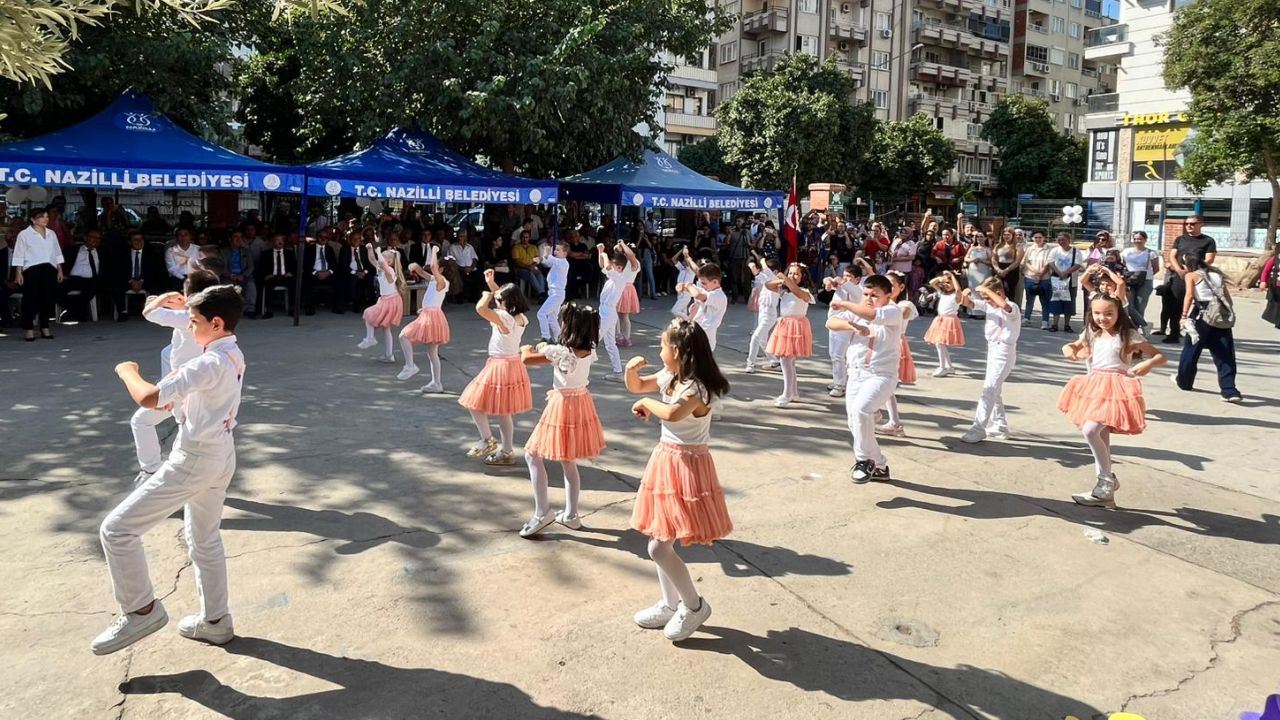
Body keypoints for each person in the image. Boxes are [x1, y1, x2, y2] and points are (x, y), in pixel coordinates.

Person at [94, 285, 246, 655]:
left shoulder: (206, 362)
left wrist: (127, 371)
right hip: (220, 452)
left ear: (216, 322)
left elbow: (148, 396)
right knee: (204, 539)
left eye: (193, 322)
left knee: (116, 531)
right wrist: (179, 403)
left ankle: (140, 610)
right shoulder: (230, 353)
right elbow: (200, 397)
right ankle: (216, 621)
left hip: (195, 459)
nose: (188, 329)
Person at [624, 319, 732, 642]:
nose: (659, 351)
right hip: (667, 460)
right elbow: (638, 386)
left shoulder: (697, 388)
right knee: (661, 534)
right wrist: (631, 371)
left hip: (687, 466)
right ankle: (670, 604)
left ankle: (694, 605)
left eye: (662, 346)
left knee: (658, 547)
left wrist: (647, 404)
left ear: (677, 351)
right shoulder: (672, 377)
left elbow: (671, 414)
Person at [1058, 294, 1165, 507]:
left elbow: (1159, 356)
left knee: (1090, 430)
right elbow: (1075, 345)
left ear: (1118, 313)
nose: (1102, 318)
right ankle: (1104, 488)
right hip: (1094, 385)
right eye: (1097, 313)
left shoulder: (1128, 335)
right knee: (1101, 435)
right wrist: (1068, 349)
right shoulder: (1091, 332)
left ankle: (1106, 481)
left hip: (1116, 387)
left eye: (1109, 313)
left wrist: (1148, 364)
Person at [517, 302, 605, 537]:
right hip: (581, 402)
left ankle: (541, 512)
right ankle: (571, 515)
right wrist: (549, 347)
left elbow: (527, 359)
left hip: (563, 405)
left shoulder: (561, 353)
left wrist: (529, 347)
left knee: (532, 454)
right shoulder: (589, 350)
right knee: (568, 460)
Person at [129, 270, 221, 484]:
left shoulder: (186, 318)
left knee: (143, 421)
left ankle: (152, 473)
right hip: (194, 382)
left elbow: (149, 312)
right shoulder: (215, 315)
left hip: (183, 385)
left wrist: (164, 297)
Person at [827, 274, 903, 484]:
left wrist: (844, 303)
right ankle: (879, 464)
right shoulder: (859, 313)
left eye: (875, 295)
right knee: (855, 422)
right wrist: (851, 326)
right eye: (866, 294)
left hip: (881, 375)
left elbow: (871, 315)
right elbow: (831, 322)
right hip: (856, 374)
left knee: (861, 410)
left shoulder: (892, 311)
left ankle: (863, 460)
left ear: (888, 296)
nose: (869, 298)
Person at [458, 270, 533, 465]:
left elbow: (481, 309)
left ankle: (487, 439)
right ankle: (506, 451)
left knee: (472, 401)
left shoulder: (504, 317)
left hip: (499, 366)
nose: (496, 302)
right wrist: (492, 284)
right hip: (513, 364)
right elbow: (503, 296)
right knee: (503, 412)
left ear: (507, 302)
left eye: (499, 300)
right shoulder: (520, 317)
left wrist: (486, 294)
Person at [957, 277, 1021, 443]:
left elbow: (1005, 306)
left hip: (1004, 351)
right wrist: (965, 294)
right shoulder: (989, 306)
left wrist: (987, 292)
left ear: (998, 293)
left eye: (988, 297)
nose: (986, 301)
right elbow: (967, 303)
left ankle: (978, 428)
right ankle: (1000, 424)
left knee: (989, 388)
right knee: (995, 389)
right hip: (992, 349)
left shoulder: (1011, 306)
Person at [1176, 254, 1242, 402]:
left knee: (1191, 350)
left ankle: (1185, 381)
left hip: (1201, 314)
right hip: (1220, 315)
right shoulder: (1216, 274)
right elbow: (1227, 297)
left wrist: (1184, 315)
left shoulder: (1191, 275)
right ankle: (1229, 390)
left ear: (1186, 265)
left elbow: (1189, 296)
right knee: (1224, 353)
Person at [398, 248, 450, 390]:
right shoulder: (434, 279)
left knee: (403, 336)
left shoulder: (442, 281)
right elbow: (421, 272)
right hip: (430, 315)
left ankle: (410, 365)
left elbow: (432, 267)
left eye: (436, 267)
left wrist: (434, 251)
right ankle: (436, 383)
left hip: (431, 317)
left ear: (442, 269)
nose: (432, 268)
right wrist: (414, 267)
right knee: (432, 352)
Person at [765, 262, 815, 407]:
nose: (793, 276)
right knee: (788, 361)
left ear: (803, 276)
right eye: (791, 273)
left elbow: (798, 293)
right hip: (784, 325)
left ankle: (787, 393)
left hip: (796, 326)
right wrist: (781, 280)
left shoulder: (805, 291)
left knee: (787, 360)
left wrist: (786, 279)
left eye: (797, 274)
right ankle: (793, 392)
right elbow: (768, 285)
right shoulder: (784, 290)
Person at [1162, 216, 1217, 345]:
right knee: (1175, 306)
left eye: (1192, 224)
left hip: (1199, 276)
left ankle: (1203, 336)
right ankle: (1174, 334)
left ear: (1201, 224)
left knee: (1203, 306)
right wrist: (1179, 270)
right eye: (1187, 224)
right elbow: (1172, 256)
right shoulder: (1180, 239)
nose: (1189, 226)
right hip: (1180, 277)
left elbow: (1210, 259)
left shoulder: (1208, 241)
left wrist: (1195, 269)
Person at [11, 207, 64, 341]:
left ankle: (45, 326)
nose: (45, 218)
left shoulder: (51, 233)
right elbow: (19, 253)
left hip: (49, 268)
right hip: (32, 269)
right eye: (41, 216)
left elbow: (57, 252)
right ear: (33, 219)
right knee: (31, 299)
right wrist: (19, 272)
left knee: (47, 299)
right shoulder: (24, 234)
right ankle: (29, 329)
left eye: (46, 216)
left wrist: (60, 269)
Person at [876, 272, 917, 438]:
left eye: (891, 284)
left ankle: (891, 421)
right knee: (886, 386)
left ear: (901, 287)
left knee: (887, 384)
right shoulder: (880, 303)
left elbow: (902, 314)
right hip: (881, 343)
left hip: (895, 345)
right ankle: (893, 421)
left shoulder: (905, 304)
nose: (888, 287)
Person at [355, 245, 406, 364]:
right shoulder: (381, 268)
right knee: (386, 329)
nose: (379, 258)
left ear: (389, 261)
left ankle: (370, 338)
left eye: (382, 257)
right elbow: (372, 259)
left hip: (391, 301)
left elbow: (384, 267)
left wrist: (379, 254)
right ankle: (389, 355)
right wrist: (370, 249)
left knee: (368, 313)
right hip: (385, 299)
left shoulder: (390, 271)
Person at [597, 241, 640, 381]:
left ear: (619, 268)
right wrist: (600, 251)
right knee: (610, 344)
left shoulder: (619, 278)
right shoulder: (613, 276)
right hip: (607, 311)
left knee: (592, 340)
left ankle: (578, 365)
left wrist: (604, 253)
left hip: (607, 312)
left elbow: (608, 266)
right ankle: (617, 372)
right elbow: (604, 266)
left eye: (615, 267)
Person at [823, 263, 864, 399]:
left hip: (845, 325)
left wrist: (842, 282)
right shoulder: (842, 286)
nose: (845, 278)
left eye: (849, 276)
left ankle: (840, 385)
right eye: (844, 275)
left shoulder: (858, 290)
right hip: (834, 323)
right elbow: (828, 281)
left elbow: (853, 293)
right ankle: (838, 380)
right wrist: (828, 281)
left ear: (857, 279)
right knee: (833, 354)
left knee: (839, 355)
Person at [61, 228, 109, 321]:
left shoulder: (104, 252)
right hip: (72, 279)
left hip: (92, 280)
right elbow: (61, 264)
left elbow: (107, 270)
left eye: (98, 238)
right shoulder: (72, 250)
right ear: (85, 238)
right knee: (56, 288)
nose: (96, 240)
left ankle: (75, 313)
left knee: (89, 288)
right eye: (93, 237)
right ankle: (73, 311)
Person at [923, 270, 964, 377]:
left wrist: (952, 276)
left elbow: (958, 289)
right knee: (940, 344)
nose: (946, 285)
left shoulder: (956, 295)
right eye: (944, 283)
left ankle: (943, 367)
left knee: (940, 343)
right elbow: (932, 283)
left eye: (949, 283)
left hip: (949, 321)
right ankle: (949, 366)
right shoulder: (942, 293)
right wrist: (941, 278)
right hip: (940, 320)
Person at [745, 255, 781, 374]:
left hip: (769, 313)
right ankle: (774, 361)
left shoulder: (774, 279)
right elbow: (757, 273)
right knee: (762, 340)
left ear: (775, 271)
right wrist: (752, 265)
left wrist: (762, 261)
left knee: (755, 337)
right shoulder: (766, 278)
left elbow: (766, 271)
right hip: (762, 311)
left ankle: (750, 363)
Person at [684, 263, 728, 352]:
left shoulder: (718, 296)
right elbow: (695, 290)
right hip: (698, 330)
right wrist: (683, 286)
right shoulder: (708, 291)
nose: (703, 286)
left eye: (704, 283)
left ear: (715, 282)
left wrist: (689, 286)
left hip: (707, 334)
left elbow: (697, 295)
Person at [1120, 231, 1159, 332]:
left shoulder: (1151, 253)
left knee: (1140, 305)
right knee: (1128, 305)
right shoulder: (1126, 252)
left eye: (1140, 239)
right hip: (1129, 280)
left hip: (1145, 281)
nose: (1137, 241)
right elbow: (1123, 265)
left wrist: (1145, 276)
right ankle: (1144, 325)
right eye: (1135, 239)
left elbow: (1156, 268)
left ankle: (1136, 329)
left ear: (1145, 240)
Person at [1046, 232, 1083, 333]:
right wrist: (1059, 272)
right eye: (1059, 240)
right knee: (1056, 301)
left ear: (1069, 240)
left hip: (1071, 280)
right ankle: (1055, 324)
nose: (1061, 242)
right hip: (1057, 280)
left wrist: (1066, 272)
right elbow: (1050, 262)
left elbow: (1078, 264)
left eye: (1063, 240)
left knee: (1069, 302)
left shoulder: (1076, 251)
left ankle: (1067, 324)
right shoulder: (1055, 250)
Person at [255, 234, 296, 319]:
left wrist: (291, 273)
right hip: (272, 276)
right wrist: (266, 275)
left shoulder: (289, 253)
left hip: (285, 276)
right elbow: (260, 268)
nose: (280, 242)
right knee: (268, 284)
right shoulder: (266, 253)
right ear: (273, 242)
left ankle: (292, 309)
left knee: (293, 282)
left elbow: (295, 266)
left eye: (281, 240)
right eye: (277, 240)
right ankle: (269, 310)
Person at [537, 242, 570, 341]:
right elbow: (546, 261)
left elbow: (549, 257)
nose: (555, 252)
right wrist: (541, 258)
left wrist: (547, 252)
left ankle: (546, 336)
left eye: (558, 250)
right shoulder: (557, 262)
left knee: (541, 313)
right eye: (555, 250)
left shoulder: (563, 263)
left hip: (557, 293)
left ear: (565, 253)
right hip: (553, 293)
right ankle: (559, 338)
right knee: (552, 317)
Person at [219, 230, 257, 317]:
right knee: (226, 286)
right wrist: (230, 275)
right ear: (230, 239)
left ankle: (249, 310)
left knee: (251, 285)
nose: (239, 239)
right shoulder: (223, 251)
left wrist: (243, 275)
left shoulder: (246, 251)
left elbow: (251, 267)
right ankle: (228, 310)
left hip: (243, 276)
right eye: (236, 237)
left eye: (240, 237)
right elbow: (221, 267)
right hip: (228, 276)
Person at [1020, 230, 1053, 329]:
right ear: (1033, 238)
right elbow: (1026, 262)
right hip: (1030, 277)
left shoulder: (1049, 249)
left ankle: (1045, 321)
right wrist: (1034, 271)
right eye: (1036, 237)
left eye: (1040, 237)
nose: (1038, 239)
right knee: (1029, 299)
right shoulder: (1030, 249)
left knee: (1045, 300)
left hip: (1045, 278)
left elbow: (1049, 263)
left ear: (1044, 238)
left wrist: (1040, 274)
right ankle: (1027, 318)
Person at [963, 231, 993, 319]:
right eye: (977, 237)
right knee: (973, 291)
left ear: (985, 238)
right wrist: (973, 259)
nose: (979, 238)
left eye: (981, 236)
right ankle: (972, 311)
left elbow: (991, 261)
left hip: (983, 271)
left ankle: (982, 312)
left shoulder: (987, 249)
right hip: (973, 272)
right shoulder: (972, 248)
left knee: (982, 290)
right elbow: (966, 258)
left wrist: (981, 260)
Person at [511, 229, 546, 300]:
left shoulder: (533, 247)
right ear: (520, 238)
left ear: (529, 238)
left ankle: (541, 294)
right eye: (523, 237)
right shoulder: (516, 247)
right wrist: (527, 267)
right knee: (530, 274)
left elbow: (537, 259)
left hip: (533, 267)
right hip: (520, 269)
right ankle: (542, 293)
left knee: (539, 274)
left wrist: (532, 266)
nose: (525, 239)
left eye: (526, 237)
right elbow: (516, 262)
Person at [616, 254, 642, 348]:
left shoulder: (627, 262)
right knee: (624, 316)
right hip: (629, 288)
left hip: (622, 287)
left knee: (617, 314)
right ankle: (626, 337)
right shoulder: (636, 263)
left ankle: (619, 335)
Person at [992, 228, 1023, 300]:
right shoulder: (998, 245)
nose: (1006, 236)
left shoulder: (1018, 246)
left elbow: (1017, 262)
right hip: (998, 270)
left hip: (1011, 271)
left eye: (1008, 235)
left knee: (1009, 293)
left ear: (1013, 235)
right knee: (997, 292)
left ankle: (1009, 310)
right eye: (1004, 235)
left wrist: (1006, 270)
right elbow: (993, 259)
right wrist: (998, 269)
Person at [670, 246, 697, 319]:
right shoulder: (682, 269)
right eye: (683, 261)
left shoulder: (691, 271)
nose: (684, 262)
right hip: (679, 294)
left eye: (685, 261)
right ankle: (686, 325)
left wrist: (686, 254)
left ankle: (689, 321)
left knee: (675, 311)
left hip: (686, 294)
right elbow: (673, 259)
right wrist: (681, 251)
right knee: (682, 314)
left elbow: (688, 262)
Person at [1261, 246, 1280, 330]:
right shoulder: (1274, 259)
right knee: (1276, 305)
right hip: (1276, 286)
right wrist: (1263, 281)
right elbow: (1266, 270)